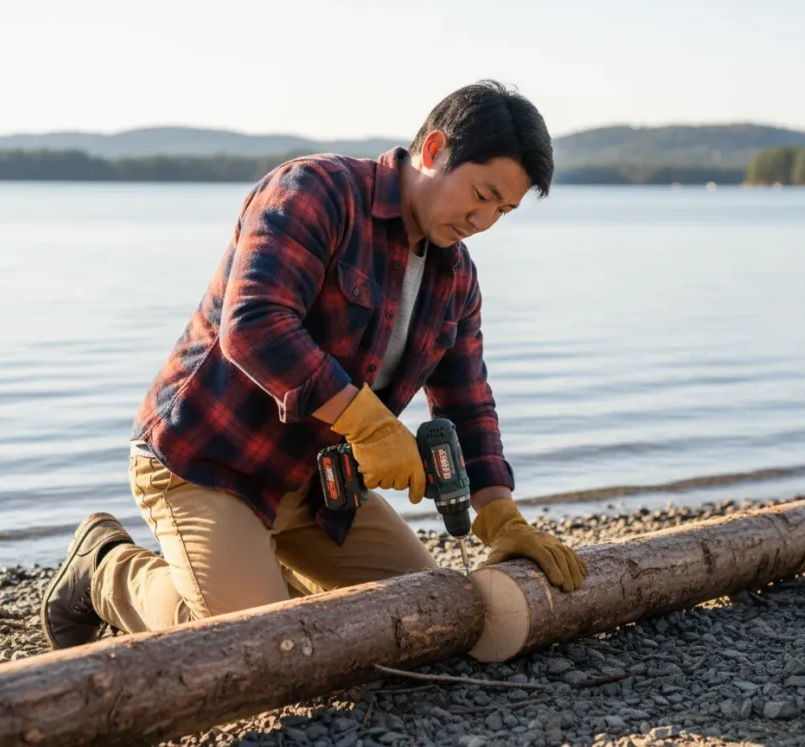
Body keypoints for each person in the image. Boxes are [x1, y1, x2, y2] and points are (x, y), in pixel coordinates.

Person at [40, 80, 587, 650]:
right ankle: (106, 568)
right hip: (209, 462)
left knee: (429, 614)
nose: (483, 221)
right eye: (481, 193)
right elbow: (254, 326)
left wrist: (500, 516)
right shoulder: (315, 191)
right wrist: (371, 425)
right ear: (432, 151)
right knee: (258, 648)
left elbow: (468, 402)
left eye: (503, 209)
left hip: (321, 486)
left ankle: (260, 573)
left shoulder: (458, 279)